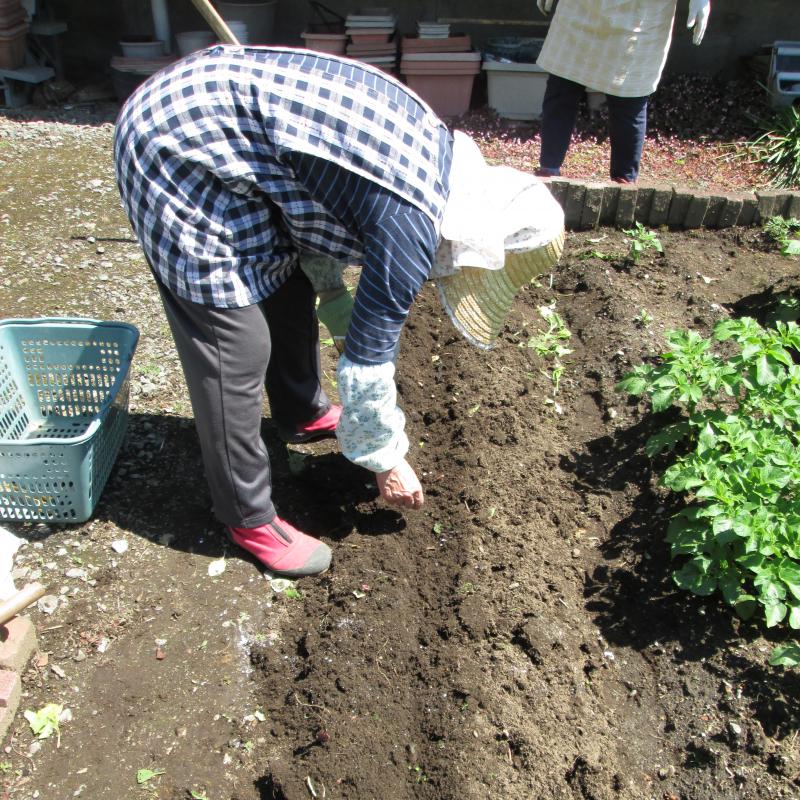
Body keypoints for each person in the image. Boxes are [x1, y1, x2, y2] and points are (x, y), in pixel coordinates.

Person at [113, 45, 565, 579]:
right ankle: (246, 515)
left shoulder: (440, 168)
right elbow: (368, 366)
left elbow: (317, 219)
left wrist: (336, 303)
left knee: (285, 281)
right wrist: (385, 459)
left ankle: (301, 412)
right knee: (233, 341)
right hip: (176, 142)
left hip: (230, 124)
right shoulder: (410, 228)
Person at [535, 0, 711, 183]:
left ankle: (623, 189)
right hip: (582, 8)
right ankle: (547, 175)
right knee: (562, 87)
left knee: (629, 97)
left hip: (643, 14)